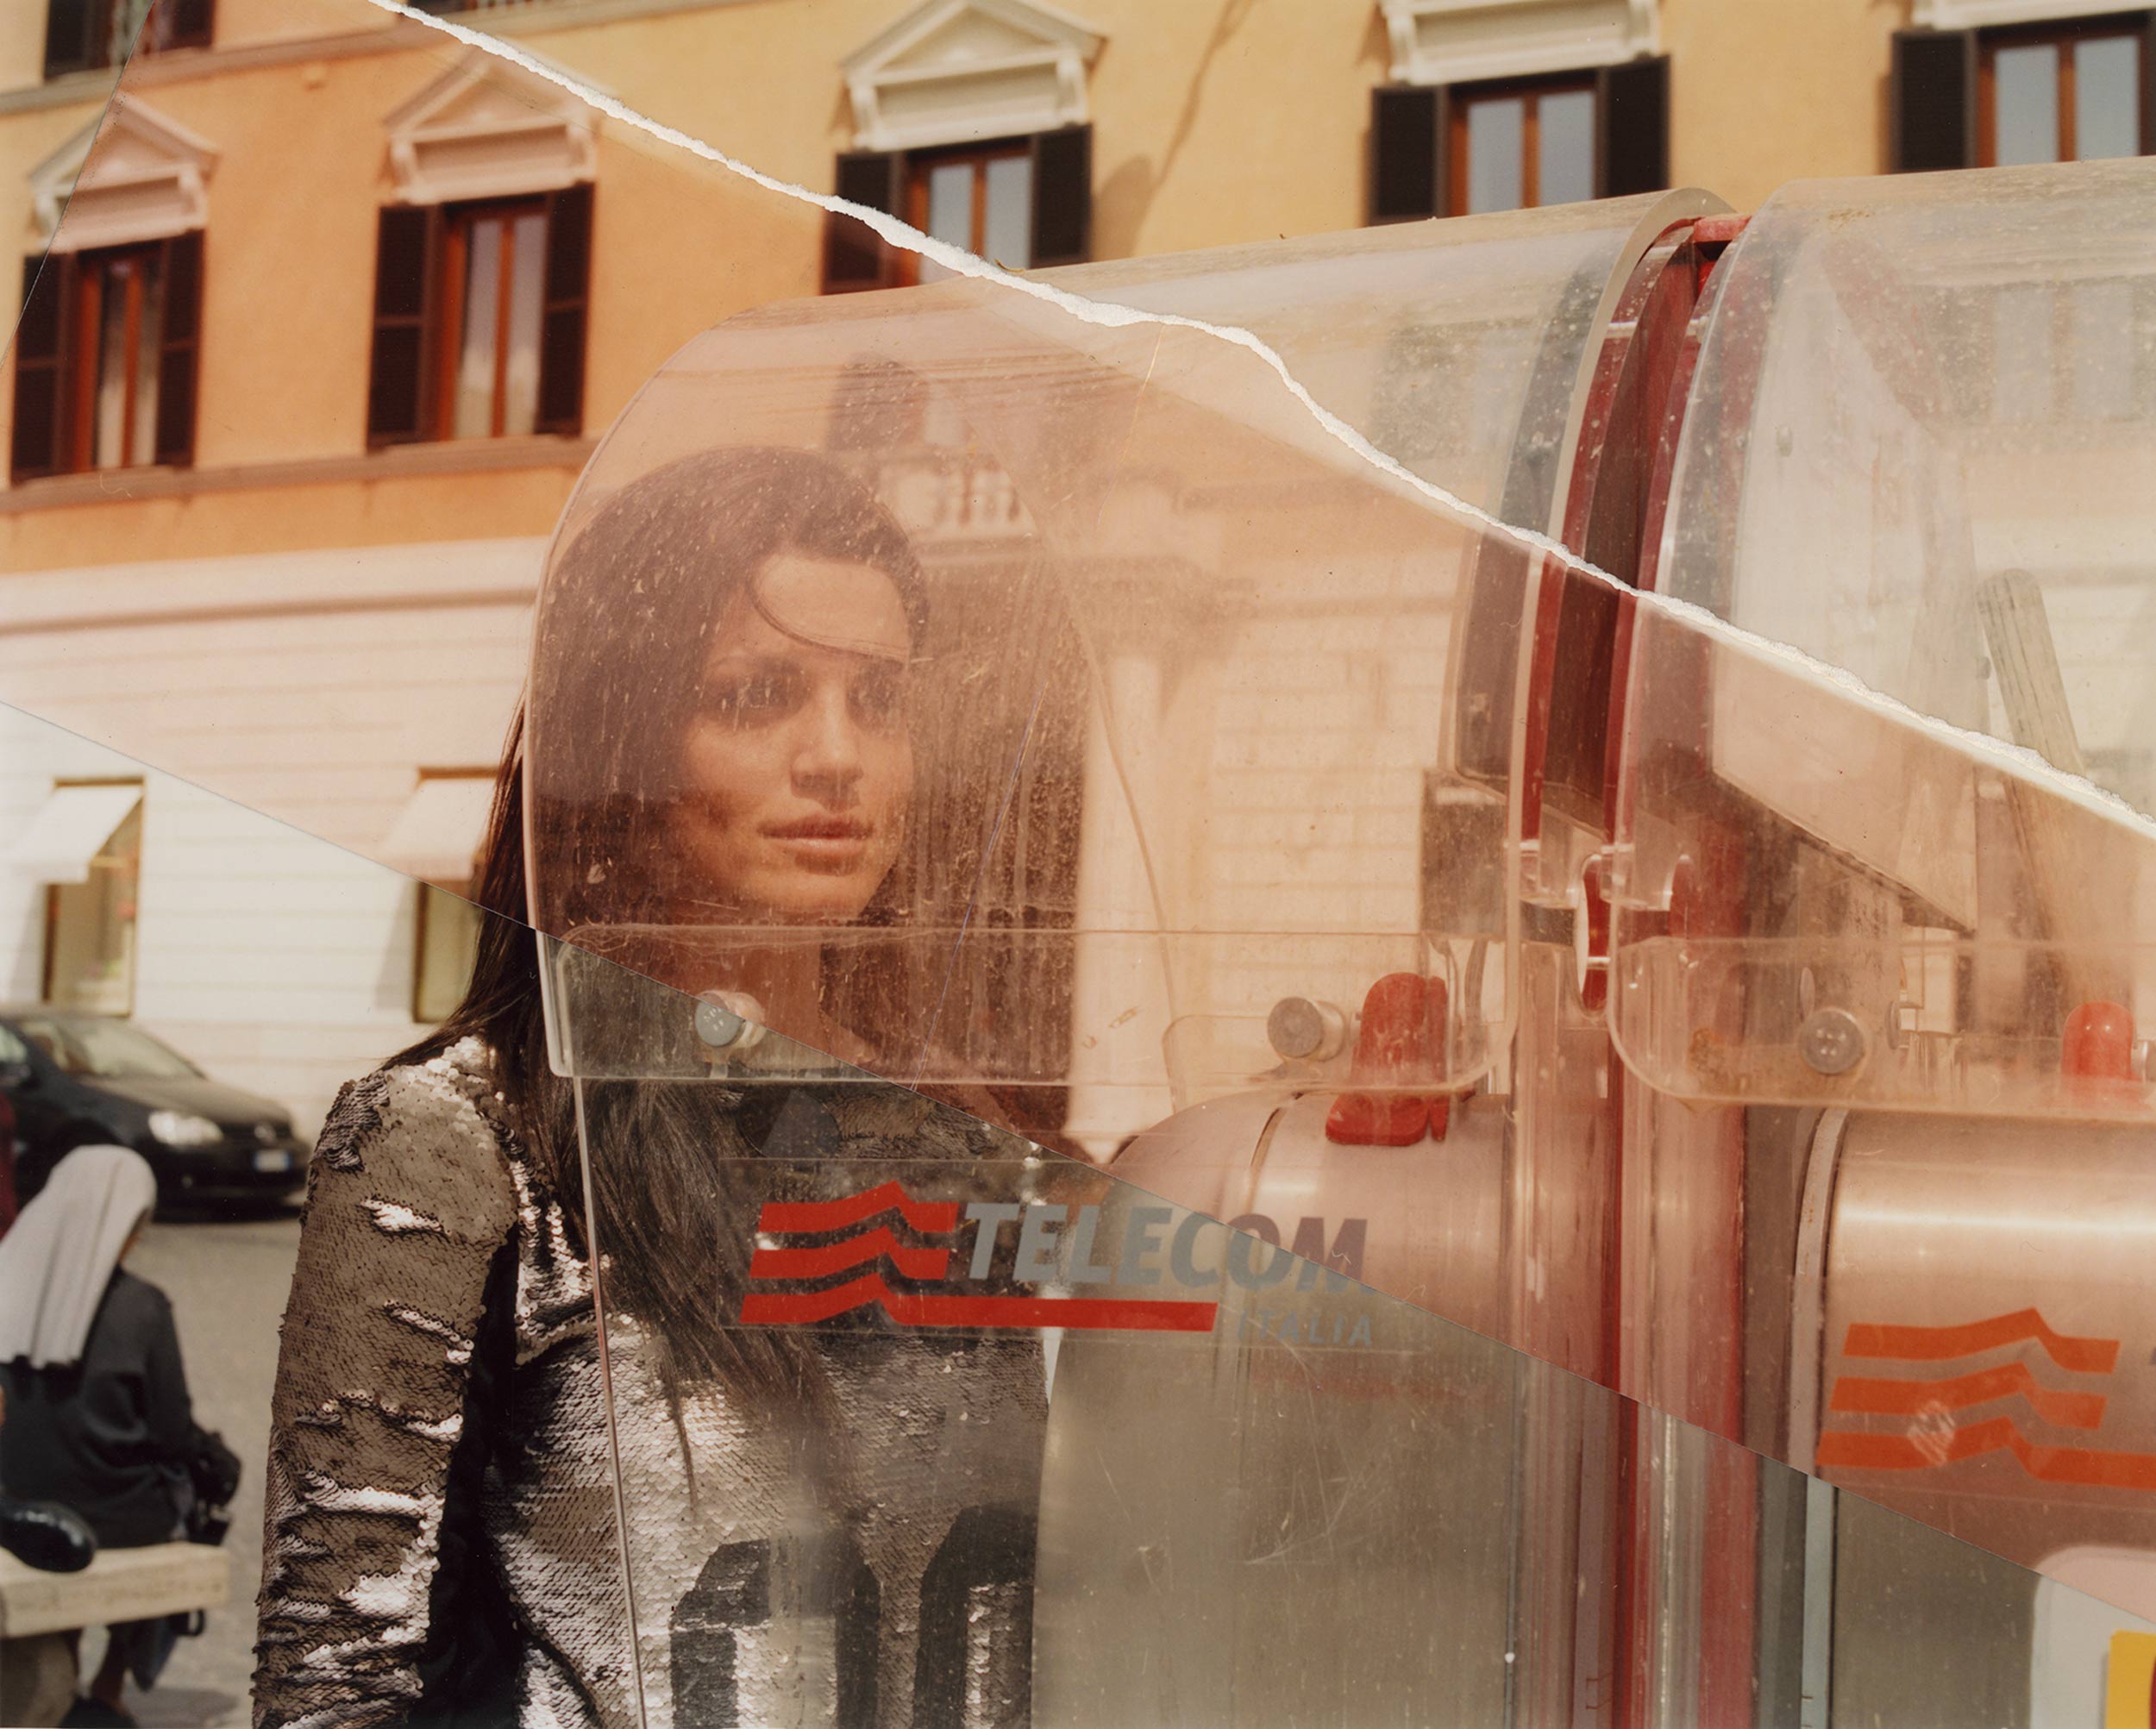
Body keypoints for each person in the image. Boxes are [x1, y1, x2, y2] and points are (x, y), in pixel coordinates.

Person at [254, 448, 1049, 1729]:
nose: (838, 756)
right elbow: (339, 1684)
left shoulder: (958, 1142)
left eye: (883, 700)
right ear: (621, 739)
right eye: (757, 694)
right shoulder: (462, 1141)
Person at [0, 1145, 223, 1727]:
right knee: (183, 1494)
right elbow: (173, 1435)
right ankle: (110, 1681)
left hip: (18, 1503)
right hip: (116, 1517)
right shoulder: (142, 1307)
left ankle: (68, 1661)